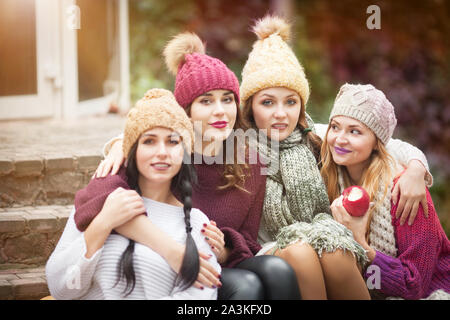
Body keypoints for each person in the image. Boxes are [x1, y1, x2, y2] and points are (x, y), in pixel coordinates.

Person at [74, 33, 301, 300]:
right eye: (206, 101)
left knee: (278, 270)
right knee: (247, 286)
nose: (220, 111)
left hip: (217, 262)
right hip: (163, 265)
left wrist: (225, 248)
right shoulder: (164, 155)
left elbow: (248, 239)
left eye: (227, 99)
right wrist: (121, 144)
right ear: (186, 111)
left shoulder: (250, 162)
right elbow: (93, 202)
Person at [239, 15, 434, 300]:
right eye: (267, 102)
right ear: (250, 106)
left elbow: (389, 144)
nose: (281, 113)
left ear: (301, 105)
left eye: (290, 101)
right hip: (273, 247)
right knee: (307, 251)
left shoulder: (312, 137)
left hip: (321, 234)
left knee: (334, 249)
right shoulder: (238, 146)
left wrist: (417, 168)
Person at [46, 88, 221, 299]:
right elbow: (60, 288)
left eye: (173, 141)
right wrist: (103, 222)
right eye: (149, 141)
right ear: (132, 151)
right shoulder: (102, 202)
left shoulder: (196, 223)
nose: (162, 152)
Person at [322, 83, 450, 300]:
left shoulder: (405, 191)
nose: (340, 138)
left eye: (355, 131)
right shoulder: (329, 174)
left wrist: (361, 245)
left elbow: (413, 286)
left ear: (376, 142)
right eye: (335, 127)